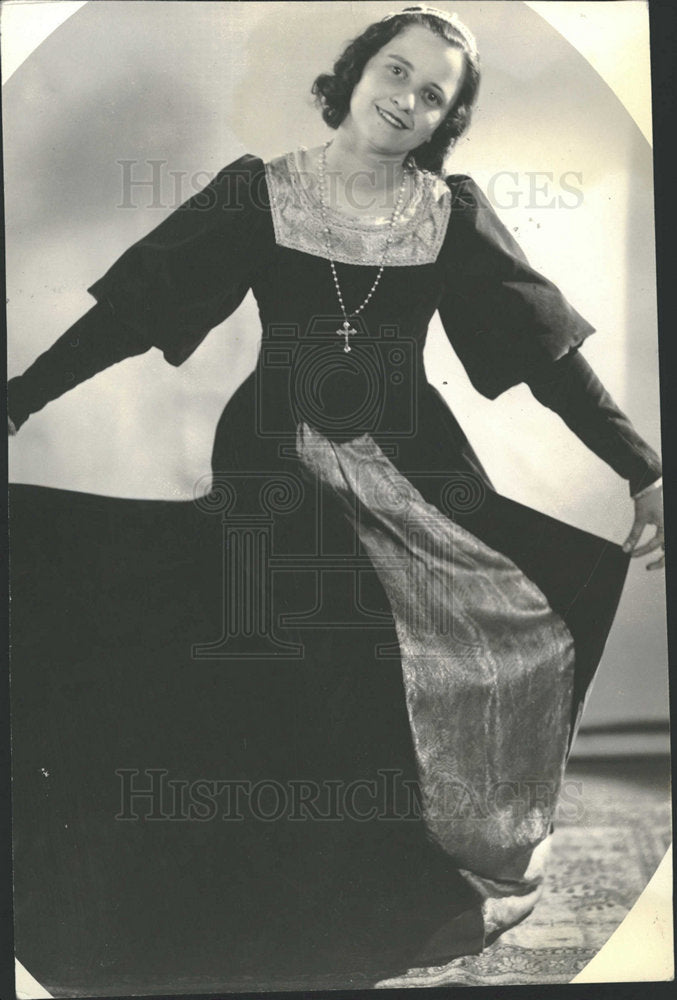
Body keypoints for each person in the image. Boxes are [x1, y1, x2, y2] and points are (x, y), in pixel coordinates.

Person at [7, 4, 665, 992]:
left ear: (446, 118)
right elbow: (132, 317)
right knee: (326, 630)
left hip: (414, 458)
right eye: (394, 72)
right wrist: (16, 404)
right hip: (275, 453)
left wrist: (643, 468)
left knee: (526, 606)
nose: (406, 97)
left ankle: (419, 861)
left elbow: (546, 361)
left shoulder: (453, 213)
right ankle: (291, 888)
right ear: (356, 73)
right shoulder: (258, 193)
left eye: (432, 93)